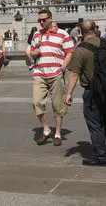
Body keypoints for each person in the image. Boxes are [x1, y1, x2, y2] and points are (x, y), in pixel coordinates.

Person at [65, 20, 106, 166]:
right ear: (94, 29)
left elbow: (74, 73)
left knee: (95, 124)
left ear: (81, 31)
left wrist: (68, 93)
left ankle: (100, 157)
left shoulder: (81, 49)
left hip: (92, 91)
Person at [26, 9, 74, 146]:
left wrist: (62, 69)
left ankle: (58, 133)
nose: (41, 22)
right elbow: (32, 54)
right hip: (39, 73)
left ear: (50, 19)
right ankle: (46, 130)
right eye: (39, 20)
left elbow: (70, 52)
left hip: (56, 73)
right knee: (37, 103)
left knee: (58, 105)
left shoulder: (63, 34)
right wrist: (36, 51)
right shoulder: (36, 34)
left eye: (44, 20)